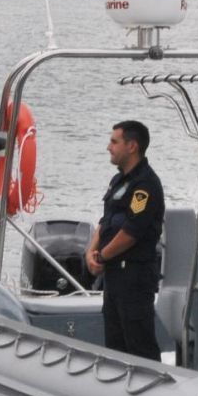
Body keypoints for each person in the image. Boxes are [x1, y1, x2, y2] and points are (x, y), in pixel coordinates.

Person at [85, 119, 166, 358]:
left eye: (114, 141)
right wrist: (91, 251)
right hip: (114, 275)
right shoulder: (118, 181)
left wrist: (102, 256)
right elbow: (106, 221)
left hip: (134, 277)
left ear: (132, 146)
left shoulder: (146, 185)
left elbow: (132, 231)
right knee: (115, 344)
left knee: (139, 344)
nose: (108, 147)